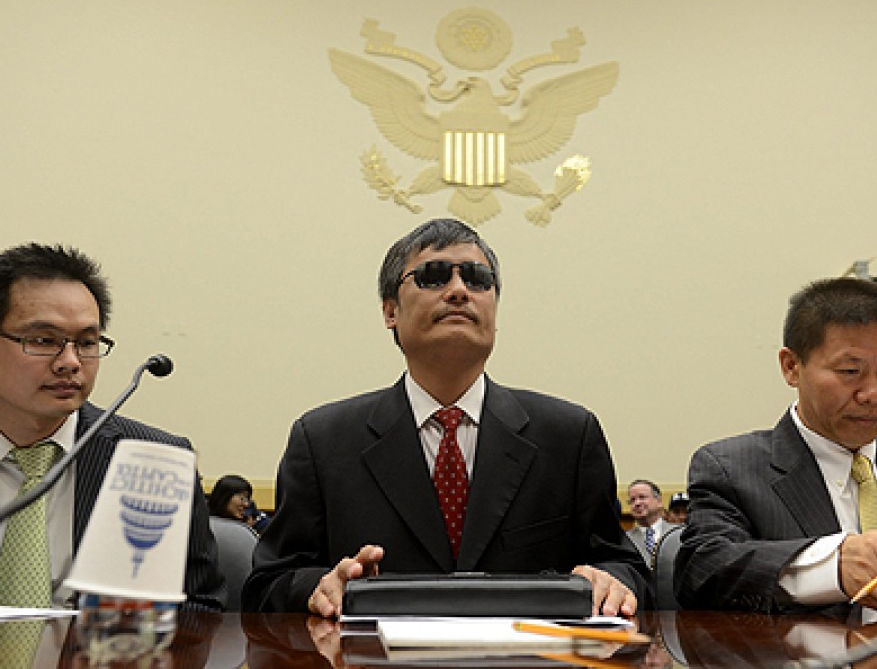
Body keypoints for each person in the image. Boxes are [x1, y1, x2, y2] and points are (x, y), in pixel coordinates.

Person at [242, 218, 650, 617]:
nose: (458, 291)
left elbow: (626, 568)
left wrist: (611, 582)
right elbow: (267, 586)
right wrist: (319, 588)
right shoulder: (323, 441)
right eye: (434, 276)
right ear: (390, 311)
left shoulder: (568, 436)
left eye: (477, 279)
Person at [0, 243, 224, 611]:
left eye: (87, 343)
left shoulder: (156, 462)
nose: (71, 362)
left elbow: (200, 609)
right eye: (43, 341)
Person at [675, 277, 877, 616]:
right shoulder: (732, 467)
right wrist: (831, 565)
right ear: (791, 367)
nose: (873, 394)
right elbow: (703, 570)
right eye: (850, 371)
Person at [626, 479, 667, 568]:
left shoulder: (679, 533)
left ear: (659, 501)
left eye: (642, 497)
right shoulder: (625, 539)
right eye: (632, 500)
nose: (637, 503)